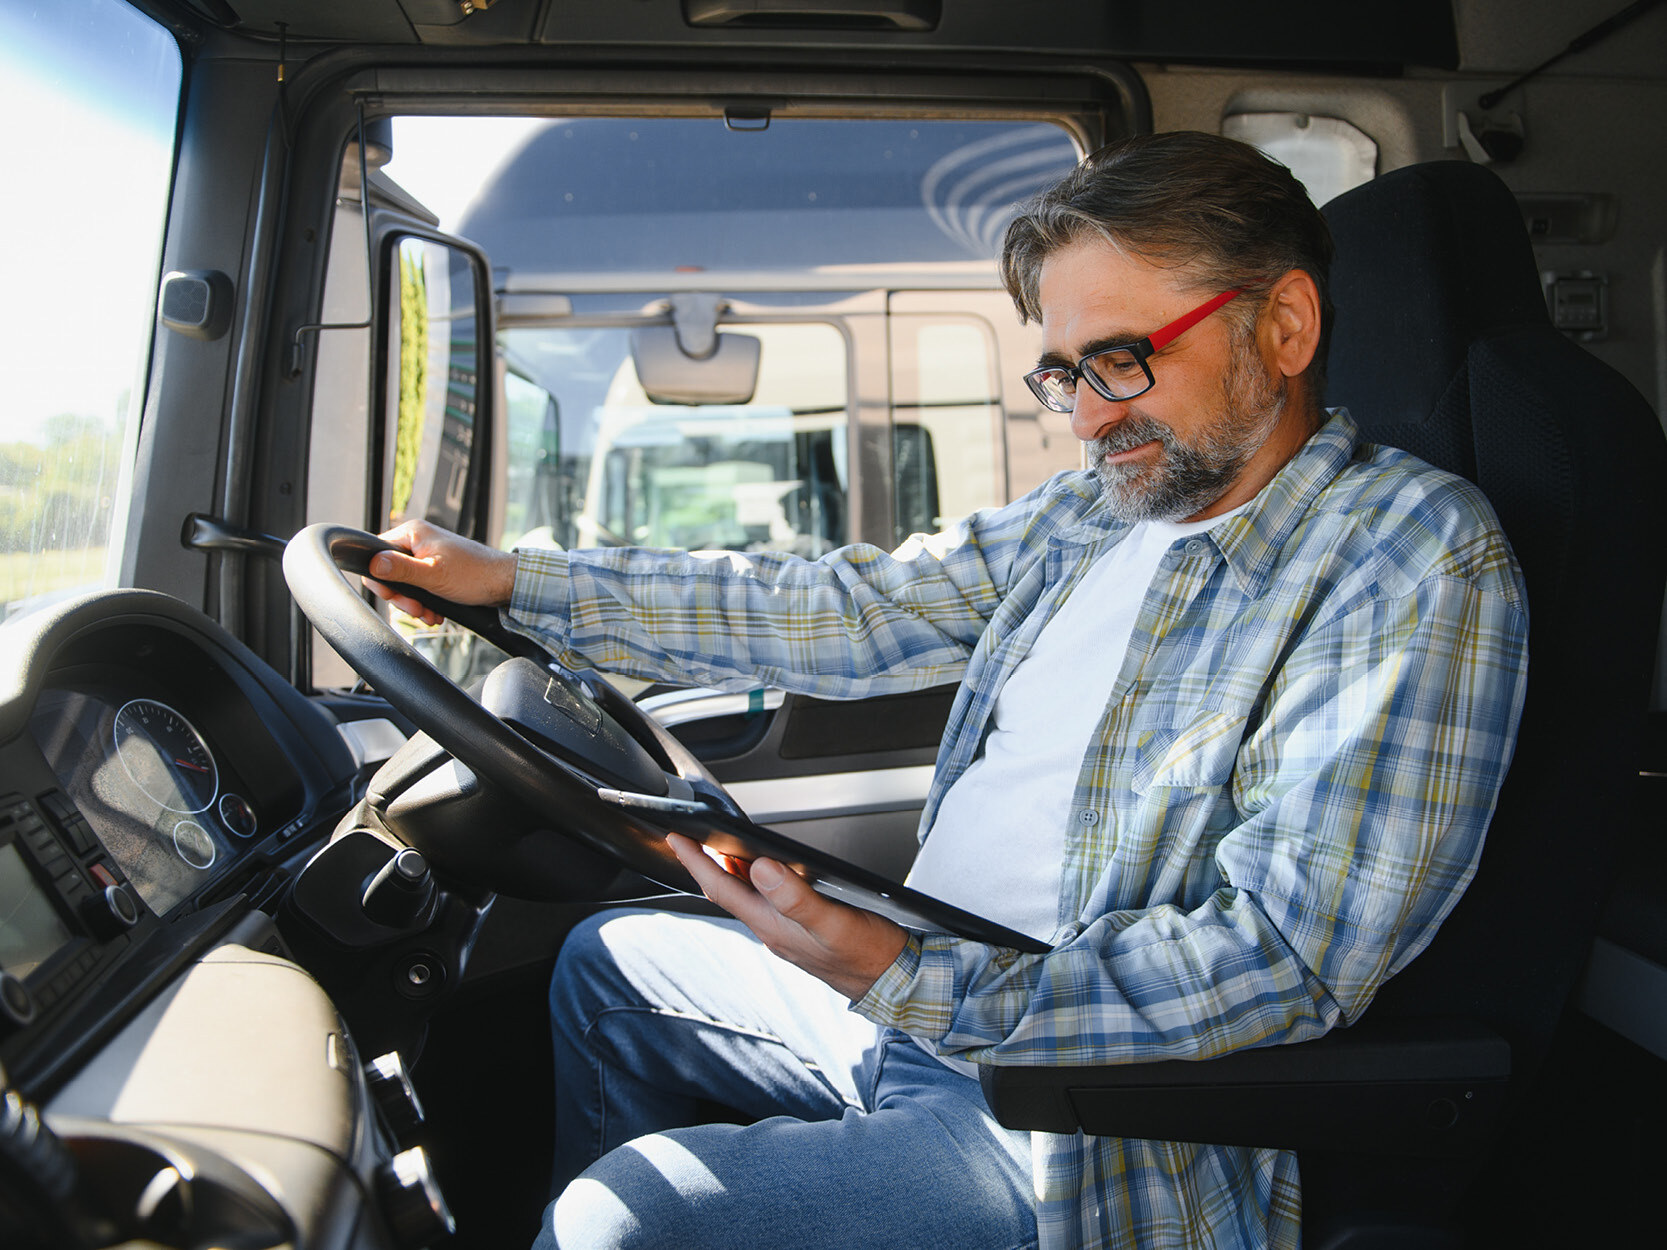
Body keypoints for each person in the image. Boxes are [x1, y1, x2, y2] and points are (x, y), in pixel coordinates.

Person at [366, 131, 1529, 1250]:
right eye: (1060, 373)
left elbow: (1283, 953)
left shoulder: (1407, 555)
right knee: (608, 969)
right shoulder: (1093, 510)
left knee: (628, 1217)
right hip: (912, 1000)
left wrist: (895, 970)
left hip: (1081, 1124)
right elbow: (849, 606)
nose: (1084, 415)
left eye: (1122, 359)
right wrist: (522, 582)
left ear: (1281, 324)